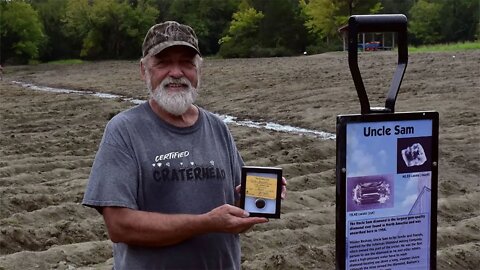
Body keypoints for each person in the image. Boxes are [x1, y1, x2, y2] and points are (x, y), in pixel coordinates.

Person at [82, 21, 286, 270]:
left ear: (198, 70)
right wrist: (205, 223)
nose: (176, 72)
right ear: (144, 70)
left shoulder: (217, 128)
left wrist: (256, 203)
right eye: (164, 62)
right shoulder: (124, 130)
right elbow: (119, 226)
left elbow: (233, 211)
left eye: (187, 63)